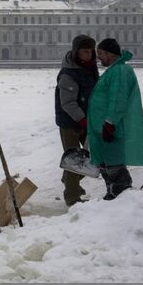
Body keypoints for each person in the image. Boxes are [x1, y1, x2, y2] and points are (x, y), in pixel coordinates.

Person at [88, 38, 143, 200]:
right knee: (107, 165)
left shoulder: (119, 71)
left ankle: (121, 197)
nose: (98, 57)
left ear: (109, 54)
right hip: (104, 127)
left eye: (100, 54)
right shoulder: (115, 70)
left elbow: (118, 99)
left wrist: (110, 123)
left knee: (114, 166)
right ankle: (113, 195)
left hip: (111, 128)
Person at [55, 34, 98, 207]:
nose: (88, 55)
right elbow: (67, 102)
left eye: (90, 51)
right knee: (74, 159)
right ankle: (72, 197)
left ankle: (69, 179)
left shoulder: (90, 68)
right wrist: (82, 119)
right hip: (69, 123)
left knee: (93, 155)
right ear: (76, 52)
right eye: (84, 51)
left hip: (87, 120)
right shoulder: (68, 73)